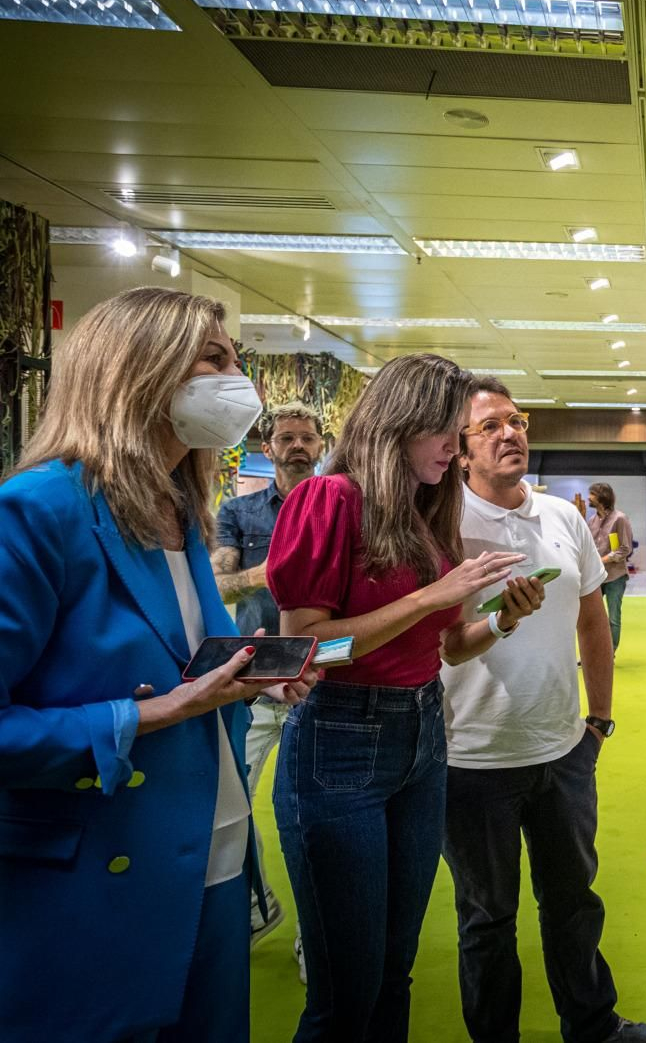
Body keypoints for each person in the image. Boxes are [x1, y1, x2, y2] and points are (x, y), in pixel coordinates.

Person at [0, 286, 315, 1041]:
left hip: (210, 857)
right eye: (215, 357)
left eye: (236, 358)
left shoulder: (180, 510)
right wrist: (147, 714)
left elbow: (183, 669)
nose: (238, 378)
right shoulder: (40, 510)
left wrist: (242, 680)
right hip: (96, 876)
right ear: (139, 370)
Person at [267, 354, 542, 1041]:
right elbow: (309, 648)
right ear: (400, 424)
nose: (455, 450)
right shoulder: (328, 499)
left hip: (422, 734)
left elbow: (449, 647)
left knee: (395, 970)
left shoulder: (425, 511)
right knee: (347, 991)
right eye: (444, 433)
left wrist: (503, 618)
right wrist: (431, 595)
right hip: (340, 741)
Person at [441, 378, 646, 1043]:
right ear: (459, 450)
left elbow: (594, 623)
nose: (509, 433)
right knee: (487, 920)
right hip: (472, 758)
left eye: (516, 421)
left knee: (573, 903)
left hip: (565, 752)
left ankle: (593, 1026)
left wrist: (598, 721)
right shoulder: (443, 523)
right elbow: (446, 646)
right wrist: (501, 625)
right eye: (490, 427)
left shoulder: (563, 518)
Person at [213, 400, 324, 970]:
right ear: (268, 447)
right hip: (254, 677)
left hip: (320, 677)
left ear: (321, 445)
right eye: (287, 438)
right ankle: (256, 906)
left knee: (317, 817)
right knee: (228, 806)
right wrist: (280, 563)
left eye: (307, 437)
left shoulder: (339, 507)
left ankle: (317, 935)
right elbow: (222, 586)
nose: (298, 446)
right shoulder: (238, 512)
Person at [586, 483, 633, 653]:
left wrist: (602, 560)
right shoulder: (591, 521)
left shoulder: (619, 519)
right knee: (592, 617)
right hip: (595, 577)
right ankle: (592, 652)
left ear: (602, 497)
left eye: (592, 494)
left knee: (613, 618)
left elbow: (624, 549)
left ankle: (609, 653)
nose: (588, 497)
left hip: (615, 576)